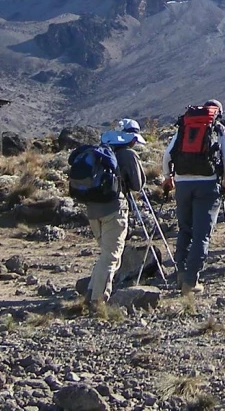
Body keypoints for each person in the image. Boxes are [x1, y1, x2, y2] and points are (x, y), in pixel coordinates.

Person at [161, 100, 225, 295]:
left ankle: (181, 272)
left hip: (182, 183)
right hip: (208, 184)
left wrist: (168, 177)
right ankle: (191, 281)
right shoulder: (220, 129)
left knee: (185, 229)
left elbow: (167, 155)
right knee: (202, 234)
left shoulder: (184, 127)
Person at [82, 119, 147, 307]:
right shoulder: (128, 154)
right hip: (114, 209)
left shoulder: (101, 151)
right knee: (111, 256)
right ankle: (98, 301)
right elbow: (137, 185)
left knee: (105, 253)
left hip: (93, 209)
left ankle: (90, 293)